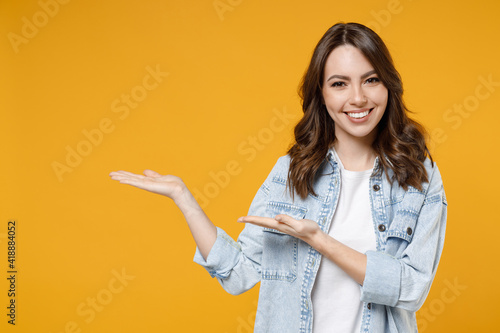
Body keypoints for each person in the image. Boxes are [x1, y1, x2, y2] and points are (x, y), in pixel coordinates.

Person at [109, 22, 447, 332]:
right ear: (322, 93)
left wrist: (319, 240)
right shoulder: (292, 172)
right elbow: (238, 273)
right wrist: (184, 198)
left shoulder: (418, 177)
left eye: (371, 80)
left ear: (389, 84)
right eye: (339, 83)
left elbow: (412, 288)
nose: (358, 97)